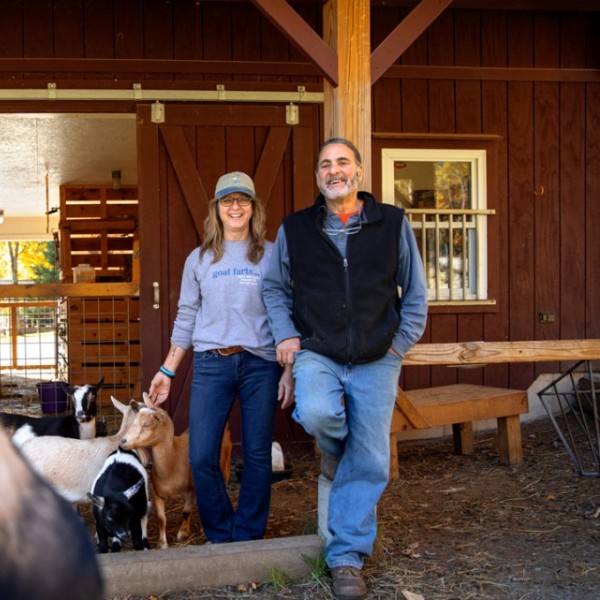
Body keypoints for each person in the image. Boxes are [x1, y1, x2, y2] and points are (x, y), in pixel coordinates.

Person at [263, 138, 428, 600]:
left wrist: (397, 348)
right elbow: (274, 290)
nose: (333, 171)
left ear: (358, 171)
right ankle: (339, 451)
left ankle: (346, 559)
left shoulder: (391, 222)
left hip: (379, 356)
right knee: (317, 414)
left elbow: (414, 294)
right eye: (325, 165)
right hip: (318, 350)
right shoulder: (295, 229)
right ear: (318, 177)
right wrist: (286, 336)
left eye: (342, 163)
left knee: (372, 458)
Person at [148, 171, 293, 544]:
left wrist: (289, 369)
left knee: (258, 455)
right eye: (227, 200)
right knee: (201, 456)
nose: (235, 206)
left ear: (253, 208)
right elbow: (186, 317)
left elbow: (285, 311)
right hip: (211, 363)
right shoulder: (198, 260)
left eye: (242, 199)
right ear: (216, 209)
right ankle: (222, 531)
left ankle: (247, 534)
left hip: (260, 363)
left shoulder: (272, 254)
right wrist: (167, 370)